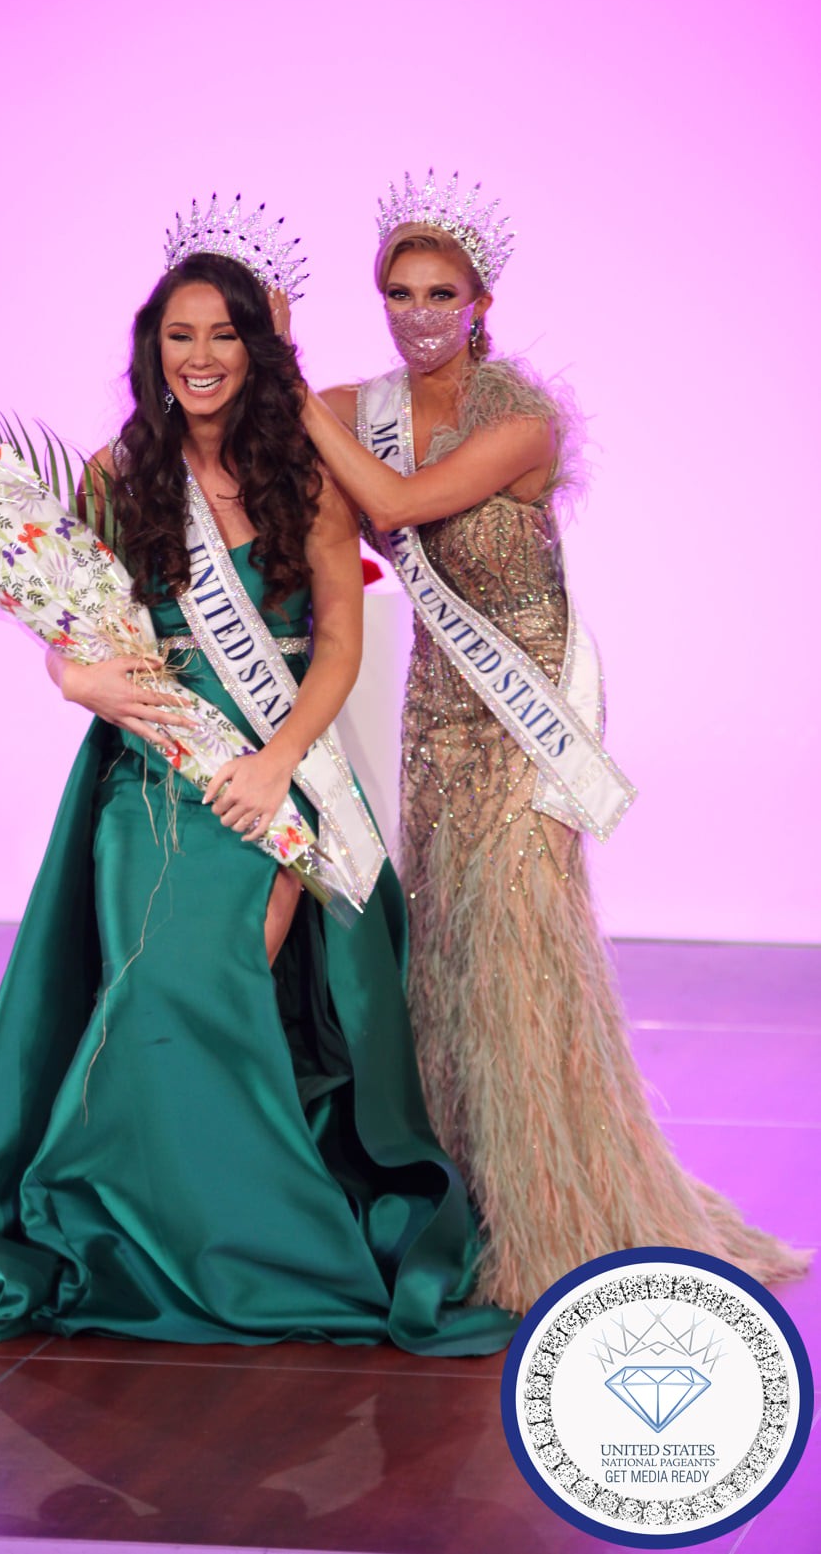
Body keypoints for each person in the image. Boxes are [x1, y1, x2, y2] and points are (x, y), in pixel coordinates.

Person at [0, 199, 517, 1354]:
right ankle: (133, 1221)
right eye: (179, 336)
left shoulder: (308, 477)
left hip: (277, 753)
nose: (199, 357)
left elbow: (337, 641)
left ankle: (246, 1220)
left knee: (246, 954)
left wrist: (280, 763)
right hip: (149, 762)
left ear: (257, 348)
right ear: (155, 349)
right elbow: (67, 626)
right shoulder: (115, 471)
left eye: (223, 336)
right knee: (164, 976)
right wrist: (73, 680)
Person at [296, 169, 810, 1314]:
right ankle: (464, 1198)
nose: (418, 313)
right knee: (446, 954)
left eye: (440, 292)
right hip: (437, 715)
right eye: (398, 291)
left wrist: (297, 400)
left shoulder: (524, 416)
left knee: (518, 952)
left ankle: (556, 1218)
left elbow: (393, 496)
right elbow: (268, 441)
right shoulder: (355, 397)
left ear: (481, 298)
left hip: (527, 710)